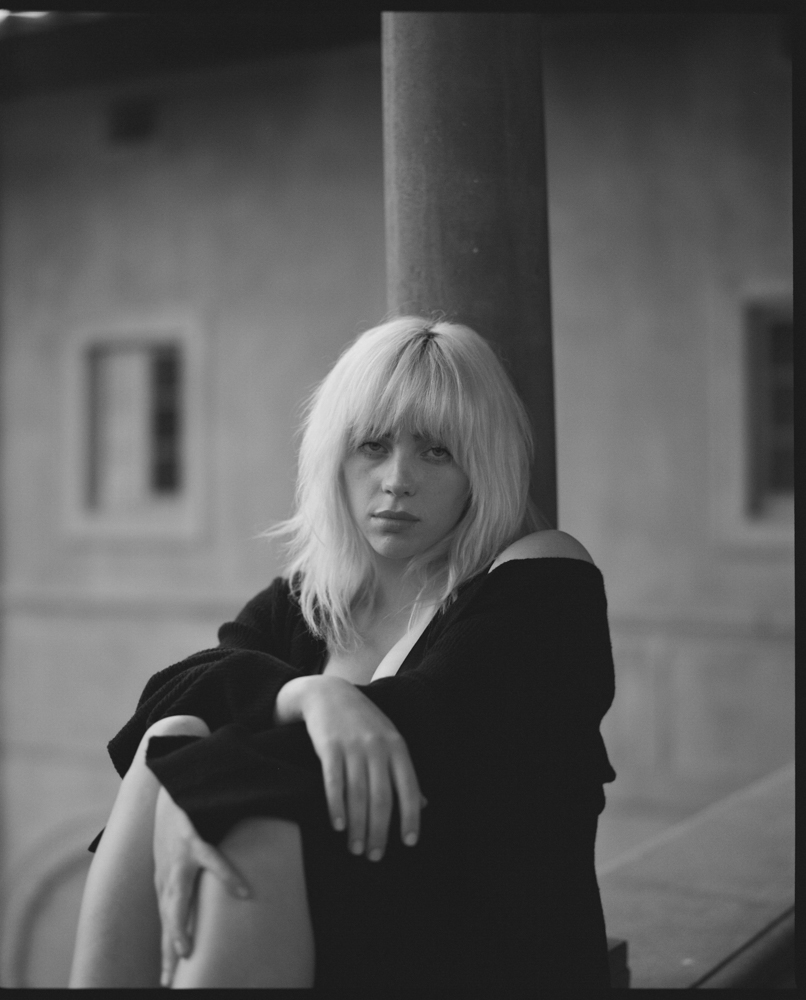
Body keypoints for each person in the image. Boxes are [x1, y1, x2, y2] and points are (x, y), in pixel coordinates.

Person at [69, 316, 617, 991]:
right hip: (335, 940)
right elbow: (168, 698)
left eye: (437, 451)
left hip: (483, 950)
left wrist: (196, 790)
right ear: (334, 455)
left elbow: (425, 731)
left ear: (483, 468)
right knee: (169, 736)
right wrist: (307, 694)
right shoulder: (308, 599)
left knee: (235, 806)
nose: (397, 479)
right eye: (373, 446)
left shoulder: (542, 578)